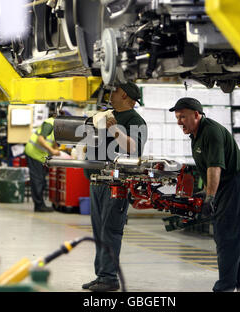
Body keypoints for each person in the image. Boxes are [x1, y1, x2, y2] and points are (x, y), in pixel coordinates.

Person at [169, 97, 240, 292]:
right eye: (177, 117)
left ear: (197, 115)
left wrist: (210, 197)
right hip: (227, 186)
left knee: (227, 237)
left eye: (182, 117)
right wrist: (205, 192)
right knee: (235, 240)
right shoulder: (196, 135)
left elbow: (215, 167)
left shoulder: (211, 132)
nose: (179, 122)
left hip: (235, 185)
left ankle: (224, 287)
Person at [82, 81, 147, 292]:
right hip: (97, 181)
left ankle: (109, 277)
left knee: (110, 230)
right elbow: (93, 143)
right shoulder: (107, 115)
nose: (111, 94)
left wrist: (114, 128)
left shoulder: (135, 120)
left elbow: (133, 148)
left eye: (116, 91)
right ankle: (101, 274)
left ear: (126, 96)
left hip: (115, 184)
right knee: (99, 231)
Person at [24, 115, 61, 212]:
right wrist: (52, 151)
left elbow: (52, 140)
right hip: (34, 153)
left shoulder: (56, 126)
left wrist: (57, 149)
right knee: (38, 180)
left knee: (41, 181)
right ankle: (39, 206)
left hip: (40, 156)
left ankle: (40, 204)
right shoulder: (50, 124)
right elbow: (40, 139)